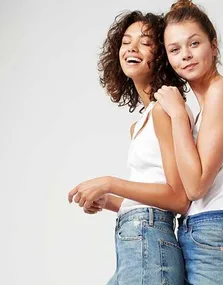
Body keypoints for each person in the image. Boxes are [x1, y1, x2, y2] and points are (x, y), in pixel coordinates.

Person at [68, 11, 193, 285]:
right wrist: (109, 201)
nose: (132, 48)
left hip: (148, 240)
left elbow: (178, 197)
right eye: (126, 42)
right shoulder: (142, 122)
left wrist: (109, 183)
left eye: (145, 42)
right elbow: (152, 192)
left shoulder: (164, 111)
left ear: (161, 54)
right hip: (136, 240)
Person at [153, 1, 223, 284]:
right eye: (175, 50)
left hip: (217, 234)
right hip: (198, 234)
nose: (185, 55)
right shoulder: (204, 109)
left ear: (213, 45)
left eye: (194, 43)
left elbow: (196, 185)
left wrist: (176, 114)